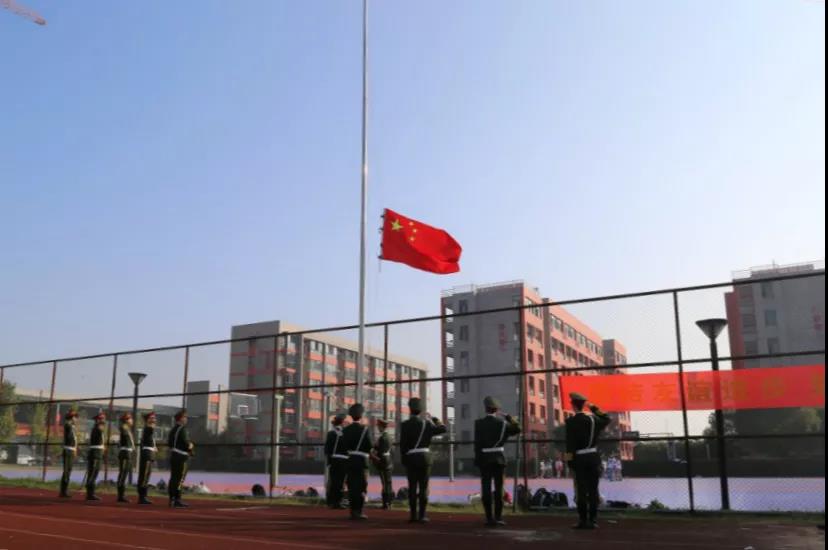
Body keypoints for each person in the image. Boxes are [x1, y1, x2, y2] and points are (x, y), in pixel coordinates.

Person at [565, 392, 611, 530]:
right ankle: (593, 520)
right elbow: (606, 418)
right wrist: (593, 407)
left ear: (573, 405)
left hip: (579, 460)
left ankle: (583, 520)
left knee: (581, 491)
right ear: (583, 405)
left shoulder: (571, 422)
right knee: (593, 490)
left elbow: (569, 445)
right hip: (593, 458)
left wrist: (569, 462)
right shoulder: (593, 420)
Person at [474, 396, 521, 527]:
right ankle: (498, 517)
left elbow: (477, 444)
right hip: (499, 459)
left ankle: (489, 518)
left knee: (486, 488)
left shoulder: (478, 423)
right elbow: (518, 428)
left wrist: (477, 460)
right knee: (499, 488)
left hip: (484, 458)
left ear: (485, 408)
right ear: (497, 410)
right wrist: (509, 417)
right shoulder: (503, 424)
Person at [400, 397, 446, 524]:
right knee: (424, 487)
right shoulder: (427, 424)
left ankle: (413, 515)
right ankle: (422, 515)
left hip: (411, 458)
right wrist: (435, 419)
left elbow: (403, 446)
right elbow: (443, 428)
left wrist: (404, 460)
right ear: (421, 410)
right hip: (425, 458)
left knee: (412, 487)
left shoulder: (405, 425)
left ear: (410, 409)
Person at [342, 403, 372, 520]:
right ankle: (359, 511)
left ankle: (352, 511)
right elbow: (369, 446)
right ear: (361, 415)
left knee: (351, 486)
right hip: (362, 461)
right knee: (361, 486)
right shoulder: (365, 430)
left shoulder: (346, 430)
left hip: (350, 460)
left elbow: (344, 446)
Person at [167, 409, 194, 508]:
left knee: (173, 477)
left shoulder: (173, 430)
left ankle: (172, 498)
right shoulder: (183, 429)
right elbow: (187, 443)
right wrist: (191, 446)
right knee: (180, 479)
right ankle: (177, 499)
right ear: (181, 418)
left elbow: (170, 444)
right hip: (182, 457)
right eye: (185, 417)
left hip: (174, 455)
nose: (186, 419)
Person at [324, 413, 348, 509]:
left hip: (334, 460)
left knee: (333, 481)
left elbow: (327, 449)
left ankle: (330, 501)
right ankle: (338, 501)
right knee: (341, 482)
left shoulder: (331, 433)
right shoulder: (346, 433)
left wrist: (329, 461)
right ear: (342, 423)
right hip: (344, 460)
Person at [371, 418, 394, 510]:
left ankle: (386, 503)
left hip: (383, 460)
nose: (377, 428)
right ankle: (389, 502)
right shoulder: (389, 437)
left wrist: (373, 456)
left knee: (384, 482)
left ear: (381, 427)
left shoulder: (382, 438)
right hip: (388, 460)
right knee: (388, 482)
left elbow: (379, 450)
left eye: (378, 426)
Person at [85, 412, 106, 501]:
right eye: (101, 419)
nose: (103, 421)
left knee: (94, 473)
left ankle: (91, 493)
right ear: (97, 420)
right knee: (93, 474)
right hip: (95, 454)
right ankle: (90, 493)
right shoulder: (97, 429)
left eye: (103, 419)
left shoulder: (98, 429)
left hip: (98, 453)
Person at [137, 411, 158, 505]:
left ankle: (143, 496)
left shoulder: (148, 429)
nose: (154, 420)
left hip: (149, 454)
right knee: (144, 476)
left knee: (146, 476)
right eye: (152, 418)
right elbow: (151, 428)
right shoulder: (148, 428)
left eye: (154, 418)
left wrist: (154, 447)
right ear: (148, 420)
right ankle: (142, 496)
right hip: (147, 454)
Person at [58, 409, 78, 498]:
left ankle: (65, 490)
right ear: (71, 418)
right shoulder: (68, 425)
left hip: (71, 450)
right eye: (75, 417)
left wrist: (75, 449)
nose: (76, 419)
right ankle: (63, 491)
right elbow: (70, 438)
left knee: (69, 470)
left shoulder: (72, 427)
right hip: (68, 450)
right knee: (66, 471)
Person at [116, 412, 135, 503]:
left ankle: (122, 494)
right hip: (125, 453)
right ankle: (120, 495)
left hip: (128, 453)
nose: (132, 420)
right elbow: (121, 428)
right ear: (126, 420)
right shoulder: (124, 428)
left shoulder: (128, 429)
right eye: (130, 419)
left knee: (124, 474)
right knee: (123, 474)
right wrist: (123, 423)